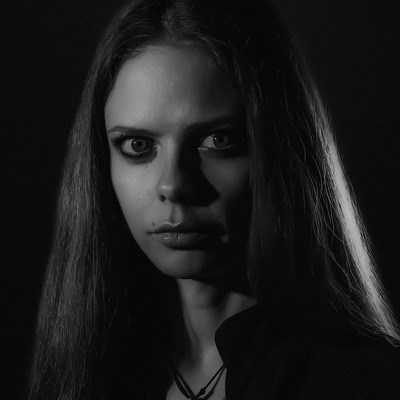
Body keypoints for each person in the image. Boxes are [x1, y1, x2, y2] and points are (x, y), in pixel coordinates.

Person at [29, 0, 400, 399]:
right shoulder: (86, 372)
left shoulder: (367, 382)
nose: (174, 185)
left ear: (281, 154)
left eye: (218, 140)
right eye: (137, 145)